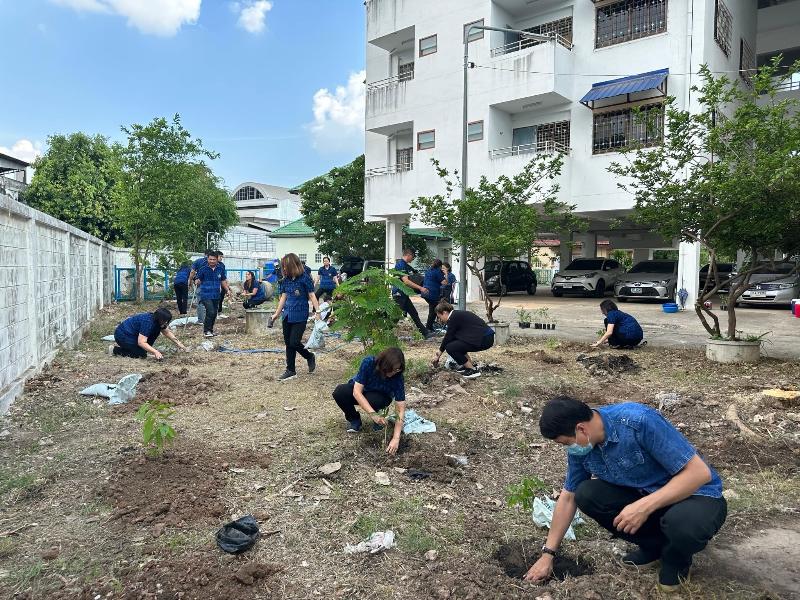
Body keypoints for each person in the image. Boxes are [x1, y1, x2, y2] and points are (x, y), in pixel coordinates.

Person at [525, 396, 727, 593]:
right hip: (648, 498)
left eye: (566, 443)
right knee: (587, 494)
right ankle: (655, 547)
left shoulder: (638, 422)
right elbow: (568, 497)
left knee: (683, 525)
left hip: (696, 495)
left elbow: (699, 473)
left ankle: (676, 559)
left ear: (581, 428)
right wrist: (548, 554)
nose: (569, 448)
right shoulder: (583, 447)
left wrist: (644, 506)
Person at [332, 347, 406, 454]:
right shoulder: (369, 363)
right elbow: (356, 392)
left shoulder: (398, 378)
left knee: (375, 400)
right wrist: (373, 414)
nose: (392, 373)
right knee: (340, 392)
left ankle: (378, 422)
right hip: (362, 391)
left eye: (396, 369)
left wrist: (396, 438)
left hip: (380, 397)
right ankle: (354, 419)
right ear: (382, 365)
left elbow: (400, 409)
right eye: (389, 369)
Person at [271, 253, 321, 382]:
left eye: (286, 266)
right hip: (287, 314)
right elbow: (284, 296)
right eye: (283, 267)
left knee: (294, 341)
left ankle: (309, 356)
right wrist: (277, 313)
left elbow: (312, 295)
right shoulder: (285, 279)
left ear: (292, 265)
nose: (284, 269)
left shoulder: (304, 278)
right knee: (288, 343)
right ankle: (291, 370)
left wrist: (318, 311)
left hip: (300, 314)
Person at [431, 302, 494, 379]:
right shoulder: (456, 315)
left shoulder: (453, 317)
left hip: (484, 339)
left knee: (450, 347)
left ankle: (472, 370)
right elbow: (451, 337)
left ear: (444, 313)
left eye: (439, 317)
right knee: (455, 344)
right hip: (485, 337)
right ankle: (468, 365)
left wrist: (439, 353)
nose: (440, 320)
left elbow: (448, 337)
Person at [110, 307, 186, 359]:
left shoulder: (158, 322)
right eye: (165, 321)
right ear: (159, 318)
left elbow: (166, 332)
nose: (166, 323)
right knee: (140, 354)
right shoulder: (148, 322)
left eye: (167, 321)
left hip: (133, 335)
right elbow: (141, 342)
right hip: (122, 335)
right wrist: (155, 352)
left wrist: (179, 344)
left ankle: (140, 349)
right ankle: (115, 350)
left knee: (156, 332)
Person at [391, 249, 432, 338]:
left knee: (414, 313)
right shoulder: (400, 265)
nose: (413, 259)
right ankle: (383, 333)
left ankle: (425, 333)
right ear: (408, 255)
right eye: (413, 257)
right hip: (399, 293)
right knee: (396, 316)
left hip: (404, 294)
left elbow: (416, 275)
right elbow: (406, 281)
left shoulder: (407, 266)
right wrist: (421, 288)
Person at [195, 251, 232, 338]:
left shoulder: (220, 268)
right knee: (210, 311)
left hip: (216, 294)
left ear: (217, 260)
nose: (211, 261)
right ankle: (206, 331)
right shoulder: (203, 268)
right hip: (205, 294)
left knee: (214, 313)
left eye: (213, 259)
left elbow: (223, 280)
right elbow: (198, 279)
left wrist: (227, 290)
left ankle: (210, 330)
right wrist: (197, 281)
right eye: (210, 259)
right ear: (207, 259)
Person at [422, 259, 445, 333]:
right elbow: (444, 282)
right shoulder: (437, 271)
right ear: (440, 266)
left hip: (425, 292)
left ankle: (429, 326)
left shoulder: (429, 270)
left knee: (433, 309)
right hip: (432, 293)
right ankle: (429, 327)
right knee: (433, 311)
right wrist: (446, 273)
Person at [189, 250, 211, 323]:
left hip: (201, 284)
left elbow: (192, 272)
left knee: (201, 302)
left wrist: (190, 280)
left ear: (204, 254)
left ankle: (201, 320)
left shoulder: (198, 261)